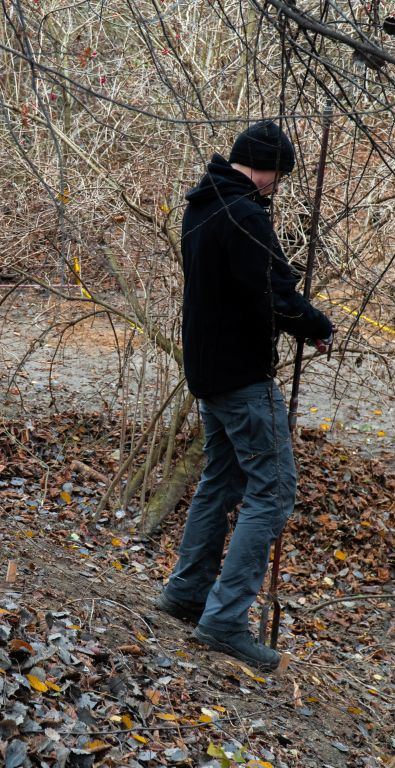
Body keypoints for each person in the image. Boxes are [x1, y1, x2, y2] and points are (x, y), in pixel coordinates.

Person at [155, 121, 334, 671]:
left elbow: (251, 288)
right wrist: (315, 325)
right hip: (240, 377)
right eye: (278, 173)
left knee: (222, 478)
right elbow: (272, 295)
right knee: (272, 493)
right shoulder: (244, 214)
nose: (278, 184)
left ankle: (187, 592)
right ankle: (226, 620)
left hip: (209, 372)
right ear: (262, 165)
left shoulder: (202, 205)